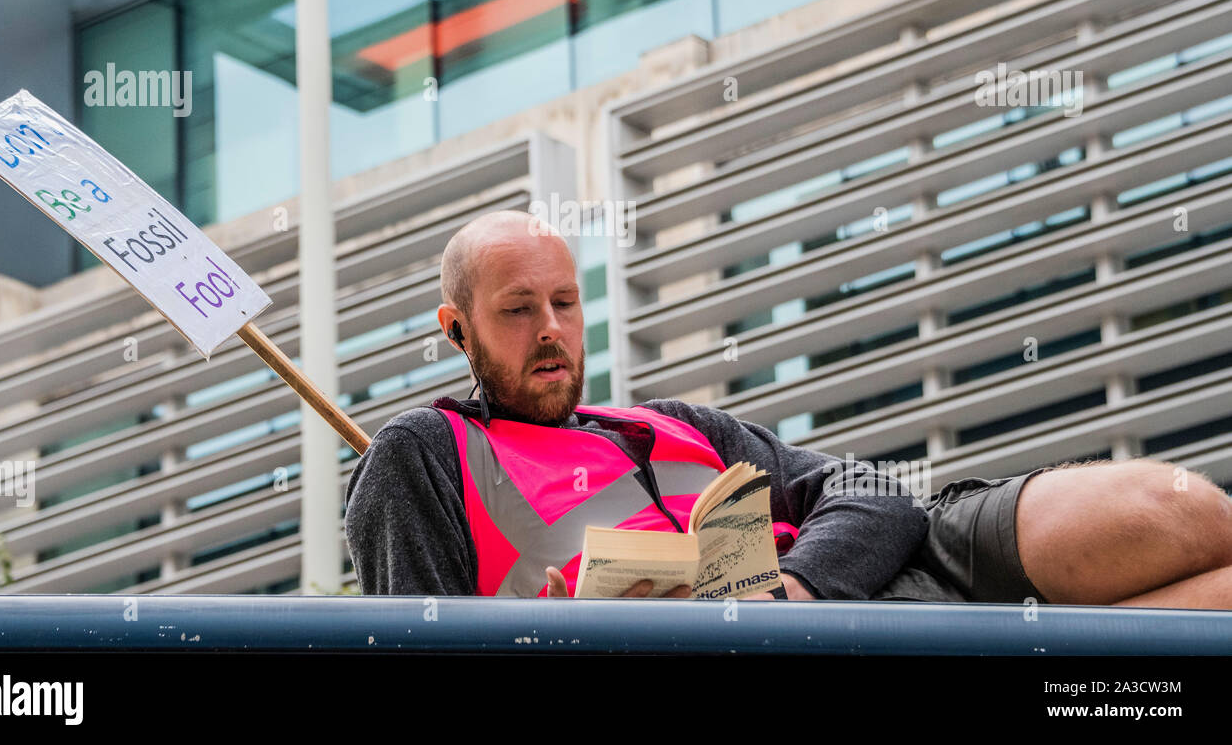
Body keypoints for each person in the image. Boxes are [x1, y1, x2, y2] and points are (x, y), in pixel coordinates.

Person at [344, 210, 1232, 607]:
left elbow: (872, 491)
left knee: (1185, 511)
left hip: (896, 575)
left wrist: (798, 590)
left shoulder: (671, 424)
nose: (551, 331)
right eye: (516, 310)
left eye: (566, 304)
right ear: (457, 331)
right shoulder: (424, 452)